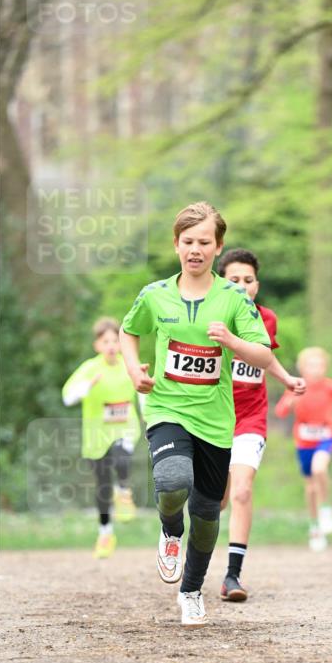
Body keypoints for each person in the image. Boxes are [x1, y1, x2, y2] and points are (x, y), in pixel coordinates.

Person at [119, 201, 272, 627]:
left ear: (217, 247)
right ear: (176, 244)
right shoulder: (155, 295)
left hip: (216, 421)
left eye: (204, 242)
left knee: (206, 515)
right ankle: (170, 530)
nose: (195, 249)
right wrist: (134, 370)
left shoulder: (233, 298)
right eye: (188, 241)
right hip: (167, 407)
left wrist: (233, 342)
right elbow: (128, 332)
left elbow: (262, 354)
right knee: (172, 482)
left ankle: (191, 591)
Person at [217, 247, 305, 602]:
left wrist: (287, 379)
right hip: (213, 417)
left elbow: (265, 358)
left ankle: (232, 576)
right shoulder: (210, 316)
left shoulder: (267, 319)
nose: (242, 286)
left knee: (242, 491)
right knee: (217, 501)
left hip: (251, 417)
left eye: (249, 280)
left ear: (257, 284)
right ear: (221, 283)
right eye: (234, 279)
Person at [62, 317, 141, 559]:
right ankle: (105, 533)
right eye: (105, 341)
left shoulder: (129, 365)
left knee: (121, 456)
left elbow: (144, 392)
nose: (111, 346)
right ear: (97, 345)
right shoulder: (89, 368)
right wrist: (88, 385)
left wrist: (150, 416)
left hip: (125, 429)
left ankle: (124, 493)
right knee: (103, 487)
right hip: (96, 437)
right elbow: (67, 398)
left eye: (115, 341)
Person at [275, 347, 332, 551]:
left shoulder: (330, 386)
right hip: (303, 442)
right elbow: (280, 411)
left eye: (319, 365)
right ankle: (314, 526)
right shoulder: (296, 386)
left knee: (320, 469)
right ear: (302, 368)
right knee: (310, 488)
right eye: (311, 366)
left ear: (325, 367)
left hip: (325, 437)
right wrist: (290, 402)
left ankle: (326, 508)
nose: (316, 370)